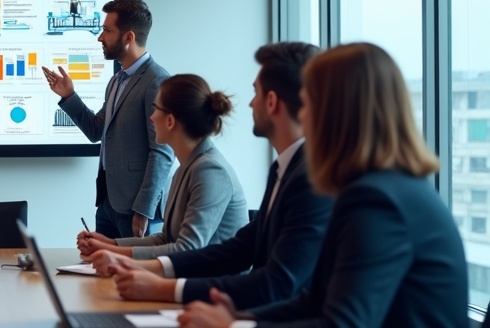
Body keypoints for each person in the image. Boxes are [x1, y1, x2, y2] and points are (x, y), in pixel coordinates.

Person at [178, 43, 473, 328]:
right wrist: (242, 318)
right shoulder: (378, 188)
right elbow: (315, 303)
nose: (303, 114)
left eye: (308, 101)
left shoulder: (377, 201)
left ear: (335, 112)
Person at [86, 42, 332, 310]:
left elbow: (276, 283)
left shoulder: (304, 179)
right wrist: (116, 250)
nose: (250, 102)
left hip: (231, 310)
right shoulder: (280, 169)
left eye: (255, 93)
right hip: (230, 307)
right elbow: (234, 251)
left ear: (272, 101)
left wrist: (158, 283)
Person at [76, 74, 248, 265]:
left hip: (213, 290)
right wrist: (109, 244)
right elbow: (165, 239)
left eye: (155, 109)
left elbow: (186, 250)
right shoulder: (186, 167)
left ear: (170, 121)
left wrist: (113, 253)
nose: (151, 116)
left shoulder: (210, 170)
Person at [43, 0, 173, 239]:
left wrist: (143, 209)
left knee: (132, 275)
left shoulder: (156, 80)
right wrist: (69, 96)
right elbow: (96, 130)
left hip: (136, 209)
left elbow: (163, 151)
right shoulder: (117, 80)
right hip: (108, 203)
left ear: (128, 37)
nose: (100, 37)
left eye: (106, 30)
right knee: (103, 272)